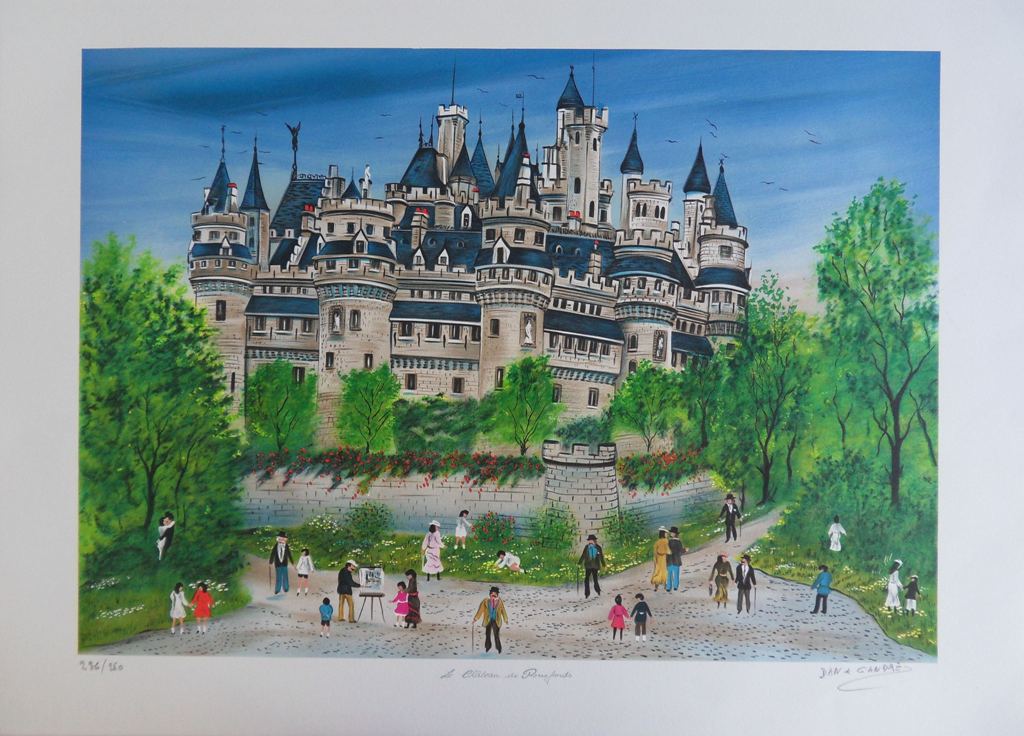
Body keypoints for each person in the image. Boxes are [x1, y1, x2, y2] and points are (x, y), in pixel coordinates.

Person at [472, 586, 509, 654]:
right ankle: (488, 647)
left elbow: (503, 611)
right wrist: (475, 619)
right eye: (492, 595)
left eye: (495, 596)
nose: (493, 597)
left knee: (496, 635)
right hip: (488, 620)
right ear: (490, 595)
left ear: (497, 595)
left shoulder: (500, 602)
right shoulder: (485, 601)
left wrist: (505, 619)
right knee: (487, 634)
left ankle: (499, 648)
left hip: (496, 620)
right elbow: (480, 610)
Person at [578, 534, 605, 598]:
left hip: (595, 566)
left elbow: (601, 556)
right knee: (586, 579)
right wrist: (579, 563)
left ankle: (598, 590)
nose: (590, 541)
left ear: (594, 540)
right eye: (589, 540)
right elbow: (583, 555)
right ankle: (587, 593)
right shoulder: (586, 547)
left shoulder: (598, 547)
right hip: (588, 565)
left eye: (591, 540)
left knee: (595, 579)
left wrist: (603, 564)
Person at [666, 526, 687, 593]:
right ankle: (674, 586)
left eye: (672, 533)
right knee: (674, 574)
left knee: (670, 575)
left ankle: (669, 587)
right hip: (676, 560)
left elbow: (666, 551)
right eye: (671, 532)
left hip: (670, 560)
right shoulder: (678, 541)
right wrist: (685, 550)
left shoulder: (668, 541)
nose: (671, 533)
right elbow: (681, 551)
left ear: (675, 534)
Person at [651, 527, 669, 591]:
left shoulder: (657, 542)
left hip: (658, 559)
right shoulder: (666, 541)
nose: (667, 535)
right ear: (663, 534)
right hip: (664, 558)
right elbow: (668, 551)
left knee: (657, 572)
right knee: (664, 572)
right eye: (666, 533)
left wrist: (655, 560)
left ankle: (656, 587)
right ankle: (665, 586)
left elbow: (655, 552)